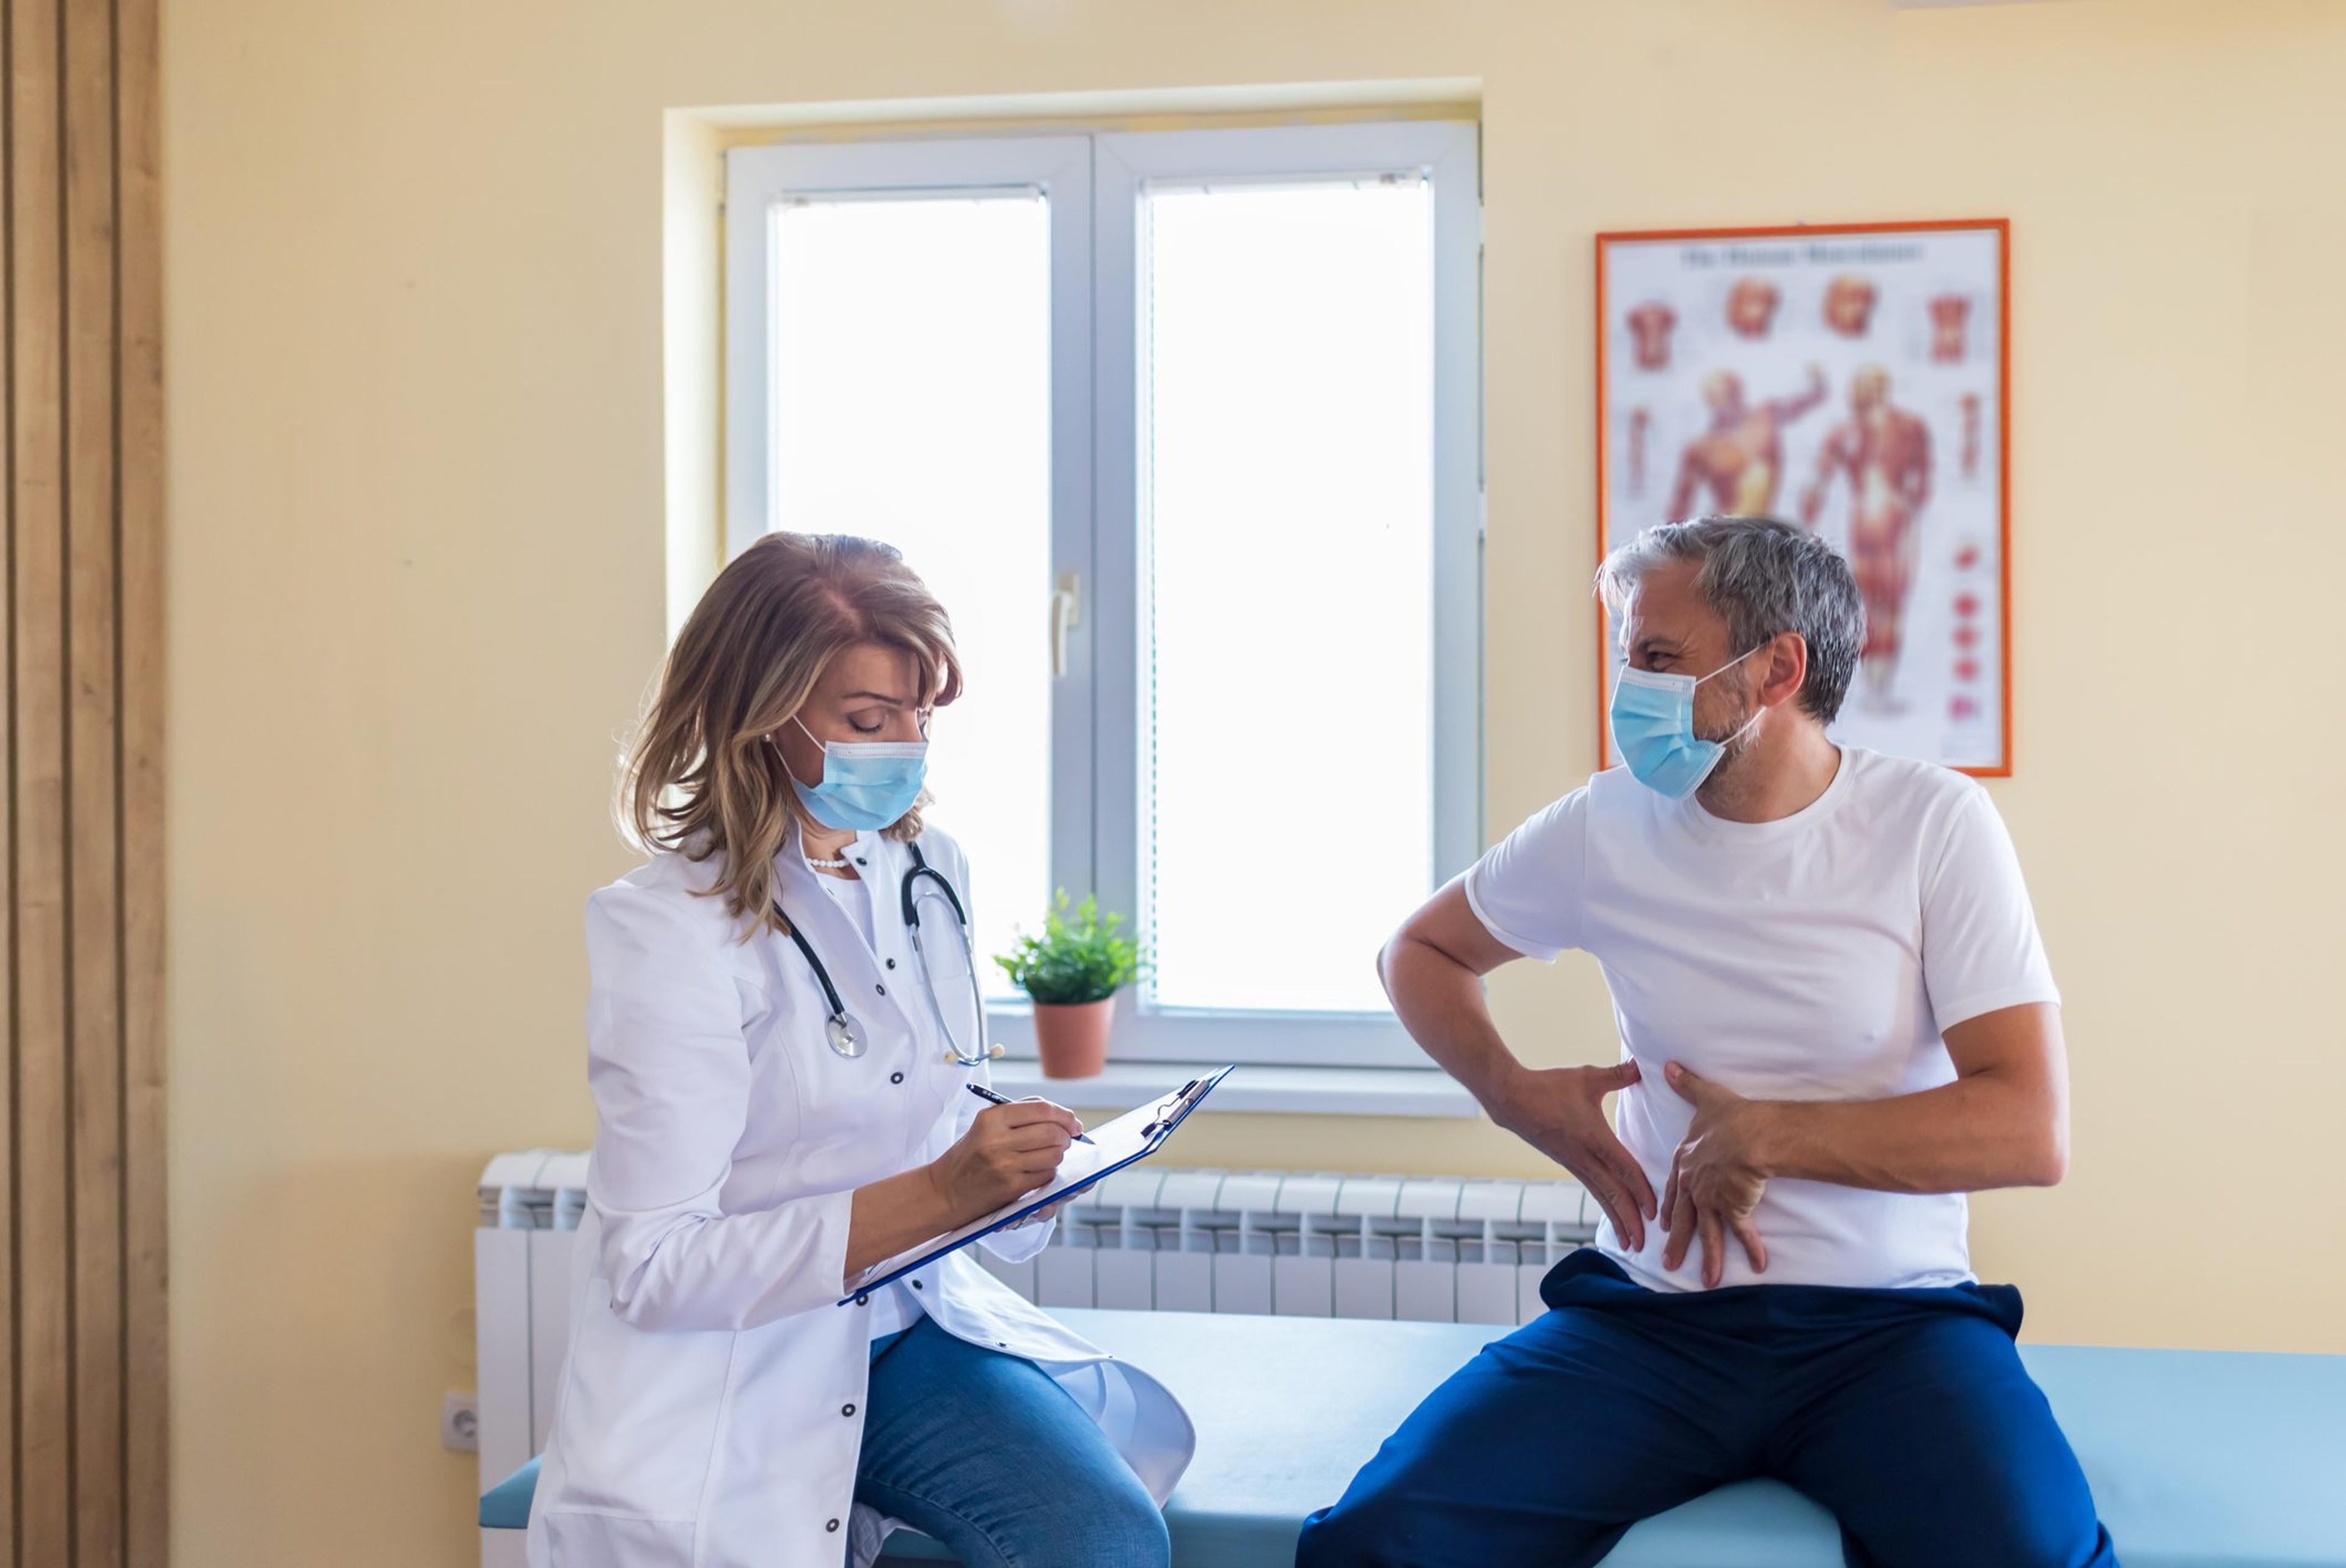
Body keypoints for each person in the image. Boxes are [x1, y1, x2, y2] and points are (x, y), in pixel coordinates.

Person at [1298, 516, 2114, 1568]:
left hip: (1891, 1331)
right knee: (1382, 1540)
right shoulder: (1606, 825)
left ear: (1776, 668)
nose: (1628, 688)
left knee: (2032, 1554)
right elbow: (1419, 949)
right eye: (1626, 655)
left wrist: (1772, 1136)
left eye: (1657, 657)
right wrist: (1511, 1090)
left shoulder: (1932, 825)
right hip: (1654, 1323)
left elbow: (2026, 1128)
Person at [526, 533, 1192, 1568]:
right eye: (869, 721)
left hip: (912, 1324)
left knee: (1102, 1539)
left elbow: (930, 1087)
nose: (906, 746)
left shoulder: (928, 868)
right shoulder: (666, 928)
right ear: (758, 714)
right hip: (741, 1363)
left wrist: (1015, 1156)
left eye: (920, 715)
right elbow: (652, 1265)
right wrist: (945, 1189)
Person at [1800, 364, 1934, 712]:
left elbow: (1922, 480)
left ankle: (1881, 689)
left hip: (1895, 524)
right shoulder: (1846, 432)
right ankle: (1871, 690)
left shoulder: (1909, 428)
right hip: (1868, 523)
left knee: (1891, 603)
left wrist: (1906, 505)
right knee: (1866, 604)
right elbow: (1818, 481)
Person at [1667, 366, 1827, 520]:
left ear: (1739, 394)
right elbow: (1680, 505)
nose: (1726, 406)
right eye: (1717, 399)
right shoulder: (1702, 449)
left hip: (1760, 532)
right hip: (1725, 534)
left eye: (1730, 395)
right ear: (1711, 402)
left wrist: (1817, 382)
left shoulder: (1765, 418)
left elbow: (1801, 403)